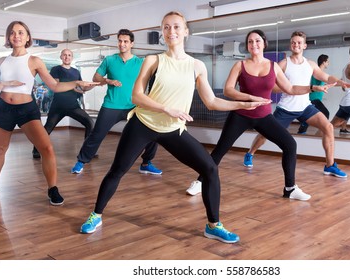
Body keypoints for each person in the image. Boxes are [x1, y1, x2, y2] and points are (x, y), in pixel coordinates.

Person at [79, 11, 270, 243]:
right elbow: (137, 96)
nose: (172, 32)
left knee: (210, 169)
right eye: (167, 27)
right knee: (117, 170)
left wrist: (243, 103)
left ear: (186, 31)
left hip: (173, 130)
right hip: (143, 124)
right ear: (162, 32)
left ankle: (213, 225)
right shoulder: (154, 60)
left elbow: (211, 101)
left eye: (177, 27)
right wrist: (166, 109)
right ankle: (96, 215)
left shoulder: (197, 65)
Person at [185, 30, 332, 199]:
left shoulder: (273, 66)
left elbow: (290, 89)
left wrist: (313, 88)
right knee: (220, 150)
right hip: (240, 115)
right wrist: (249, 98)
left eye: (257, 41)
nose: (254, 44)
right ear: (247, 46)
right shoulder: (240, 65)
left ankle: (290, 188)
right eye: (250, 42)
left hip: (263, 117)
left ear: (264, 43)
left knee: (290, 144)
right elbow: (228, 90)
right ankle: (201, 182)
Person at [0, 21, 97, 205]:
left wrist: (77, 83)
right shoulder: (1, 61)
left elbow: (55, 86)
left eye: (20, 32)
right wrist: (5, 84)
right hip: (3, 108)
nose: (16, 35)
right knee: (0, 149)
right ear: (8, 37)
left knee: (47, 148)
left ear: (27, 37)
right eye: (12, 32)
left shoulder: (34, 61)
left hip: (26, 110)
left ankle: (53, 189)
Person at [244, 31, 350, 178]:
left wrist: (340, 82)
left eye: (299, 42)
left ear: (304, 46)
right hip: (286, 108)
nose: (296, 45)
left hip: (305, 107)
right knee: (265, 134)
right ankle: (250, 153)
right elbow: (272, 86)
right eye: (293, 42)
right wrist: (289, 88)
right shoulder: (283, 64)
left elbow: (326, 77)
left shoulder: (310, 64)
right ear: (290, 45)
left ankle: (330, 165)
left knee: (328, 127)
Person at [70, 29, 161, 175]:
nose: (122, 44)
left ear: (132, 43)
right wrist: (108, 80)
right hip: (111, 105)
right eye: (120, 41)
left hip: (134, 106)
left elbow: (156, 76)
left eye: (125, 41)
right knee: (97, 134)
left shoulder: (140, 62)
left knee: (152, 131)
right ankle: (81, 161)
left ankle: (146, 163)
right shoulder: (109, 60)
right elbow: (96, 77)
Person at [32, 49, 95, 159]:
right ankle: (36, 150)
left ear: (72, 57)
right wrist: (75, 84)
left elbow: (79, 88)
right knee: (47, 129)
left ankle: (87, 151)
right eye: (65, 55)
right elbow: (56, 85)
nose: (67, 57)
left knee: (90, 122)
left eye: (69, 55)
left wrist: (91, 86)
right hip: (58, 106)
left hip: (73, 106)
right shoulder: (56, 69)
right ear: (61, 57)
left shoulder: (76, 72)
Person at [297, 54, 330, 134]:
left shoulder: (319, 72)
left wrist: (325, 86)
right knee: (326, 113)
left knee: (312, 115)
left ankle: (303, 128)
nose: (328, 63)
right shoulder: (317, 72)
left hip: (316, 98)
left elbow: (319, 85)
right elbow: (316, 85)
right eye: (327, 61)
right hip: (313, 98)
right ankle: (319, 133)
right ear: (323, 62)